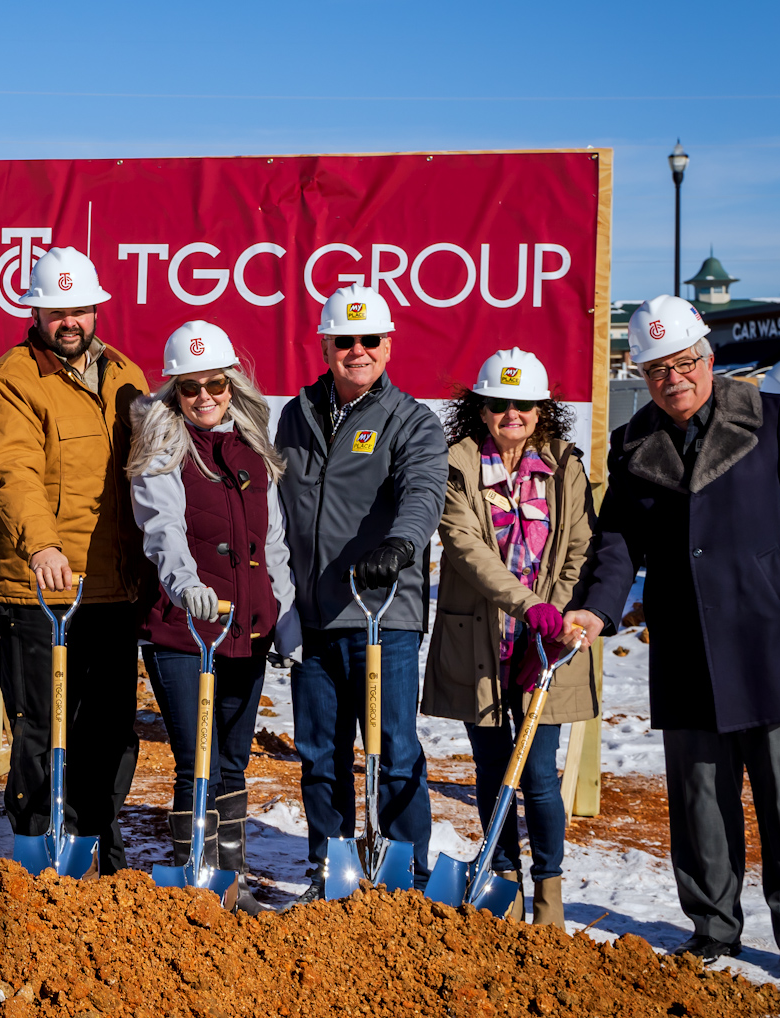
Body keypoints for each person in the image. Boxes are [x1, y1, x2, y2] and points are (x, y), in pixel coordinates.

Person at [569, 296, 780, 981]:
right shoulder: (634, 444)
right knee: (699, 802)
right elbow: (618, 542)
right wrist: (598, 611)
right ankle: (713, 926)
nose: (674, 378)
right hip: (690, 647)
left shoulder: (773, 417)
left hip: (773, 644)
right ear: (644, 372)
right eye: (658, 368)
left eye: (686, 362)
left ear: (709, 359)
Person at [0, 247, 151, 875]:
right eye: (55, 311)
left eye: (78, 309)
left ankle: (98, 838)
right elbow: (7, 469)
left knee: (111, 730)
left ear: (96, 307)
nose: (68, 321)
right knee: (43, 729)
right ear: (35, 311)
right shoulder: (10, 379)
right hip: (43, 590)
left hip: (116, 590)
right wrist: (41, 542)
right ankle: (40, 852)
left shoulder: (128, 375)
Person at [275, 284, 447, 900]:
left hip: (383, 613)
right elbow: (278, 509)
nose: (357, 351)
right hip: (317, 615)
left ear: (388, 344)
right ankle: (332, 867)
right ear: (324, 345)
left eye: (369, 339)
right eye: (343, 341)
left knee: (393, 747)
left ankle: (407, 874)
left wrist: (400, 546)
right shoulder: (296, 415)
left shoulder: (412, 421)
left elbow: (425, 491)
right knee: (321, 751)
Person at [421, 349, 597, 928]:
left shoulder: (566, 467)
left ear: (542, 410)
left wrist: (557, 615)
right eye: (500, 404)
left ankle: (548, 891)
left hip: (548, 643)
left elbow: (578, 548)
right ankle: (506, 885)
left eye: (524, 404)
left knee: (540, 774)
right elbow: (466, 547)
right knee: (495, 771)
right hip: (484, 644)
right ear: (481, 410)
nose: (512, 413)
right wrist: (529, 607)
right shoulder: (455, 467)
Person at [128, 320, 296, 911]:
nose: (204, 397)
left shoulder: (252, 446)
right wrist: (184, 584)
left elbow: (271, 538)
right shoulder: (163, 446)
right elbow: (161, 526)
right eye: (190, 387)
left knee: (231, 756)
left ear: (232, 384)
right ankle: (193, 877)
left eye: (215, 384)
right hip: (182, 629)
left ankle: (234, 877)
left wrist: (285, 608)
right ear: (173, 390)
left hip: (246, 628)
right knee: (194, 756)